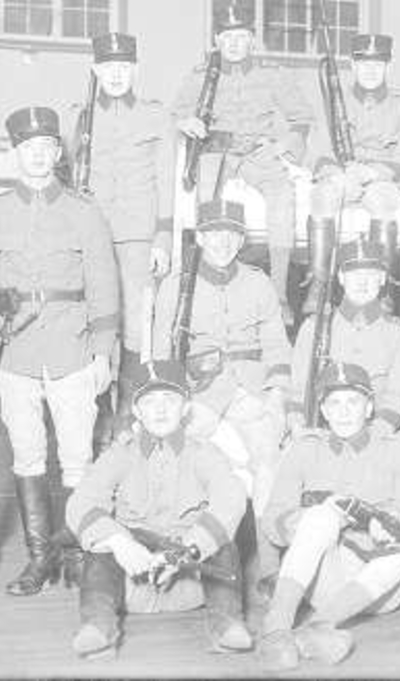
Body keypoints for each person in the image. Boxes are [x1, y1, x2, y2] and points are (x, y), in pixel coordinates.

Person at [0, 106, 119, 596]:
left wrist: (103, 353)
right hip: (14, 353)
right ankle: (39, 560)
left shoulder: (84, 211)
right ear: (15, 153)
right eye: (27, 147)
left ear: (58, 153)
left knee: (77, 458)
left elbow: (104, 285)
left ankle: (75, 556)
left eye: (46, 146)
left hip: (72, 348)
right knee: (28, 456)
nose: (37, 155)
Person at [149, 197, 291, 608]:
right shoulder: (176, 285)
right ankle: (184, 554)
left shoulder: (258, 282)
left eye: (232, 234)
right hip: (200, 390)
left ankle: (269, 564)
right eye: (214, 234)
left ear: (242, 240)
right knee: (183, 457)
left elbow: (276, 345)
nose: (223, 242)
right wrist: (174, 402)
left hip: (250, 386)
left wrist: (278, 394)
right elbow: (161, 354)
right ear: (200, 237)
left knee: (268, 460)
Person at [64, 360, 250, 658]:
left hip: (189, 582)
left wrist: (186, 551)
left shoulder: (204, 453)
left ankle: (227, 626)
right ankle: (98, 628)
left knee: (223, 542)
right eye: (149, 401)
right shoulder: (120, 454)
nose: (160, 409)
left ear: (186, 408)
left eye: (170, 400)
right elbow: (82, 501)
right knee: (100, 544)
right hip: (130, 584)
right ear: (137, 411)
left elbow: (232, 498)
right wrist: (120, 543)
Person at [258, 361, 400, 671]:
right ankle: (276, 627)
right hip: (325, 576)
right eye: (334, 403)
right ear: (323, 410)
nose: (344, 412)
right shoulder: (305, 449)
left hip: (378, 586)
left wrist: (392, 522)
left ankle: (317, 626)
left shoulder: (396, 449)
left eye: (353, 402)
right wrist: (309, 520)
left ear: (369, 407)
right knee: (322, 516)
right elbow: (272, 520)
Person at [63, 32, 176, 442]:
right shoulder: (78, 118)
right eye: (108, 67)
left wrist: (163, 237)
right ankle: (99, 410)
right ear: (95, 69)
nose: (115, 74)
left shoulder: (156, 117)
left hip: (138, 236)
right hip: (92, 236)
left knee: (136, 324)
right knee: (96, 319)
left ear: (135, 70)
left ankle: (128, 407)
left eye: (123, 67)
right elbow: (66, 179)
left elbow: (166, 179)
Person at [174, 0, 315, 324]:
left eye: (241, 37)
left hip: (256, 151)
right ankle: (202, 284)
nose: (234, 44)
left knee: (282, 193)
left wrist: (282, 145)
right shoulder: (200, 76)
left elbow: (302, 118)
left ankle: (279, 293)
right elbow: (176, 114)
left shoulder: (272, 75)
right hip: (216, 150)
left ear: (252, 40)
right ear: (216, 40)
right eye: (227, 37)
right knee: (205, 201)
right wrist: (186, 122)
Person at [305, 32, 400, 314]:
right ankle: (319, 284)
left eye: (378, 64)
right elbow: (316, 152)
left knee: (382, 202)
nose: (371, 70)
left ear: (388, 67)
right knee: (322, 196)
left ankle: (383, 289)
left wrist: (371, 173)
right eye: (364, 63)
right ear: (353, 65)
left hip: (381, 180)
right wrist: (338, 175)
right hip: (342, 176)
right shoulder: (333, 104)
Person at [289, 239, 400, 435]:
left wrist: (376, 433)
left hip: (377, 432)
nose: (362, 282)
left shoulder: (399, 334)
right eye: (355, 274)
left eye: (371, 274)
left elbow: (397, 395)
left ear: (383, 278)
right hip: (320, 430)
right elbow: (298, 388)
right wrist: (298, 424)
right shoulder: (313, 328)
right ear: (341, 277)